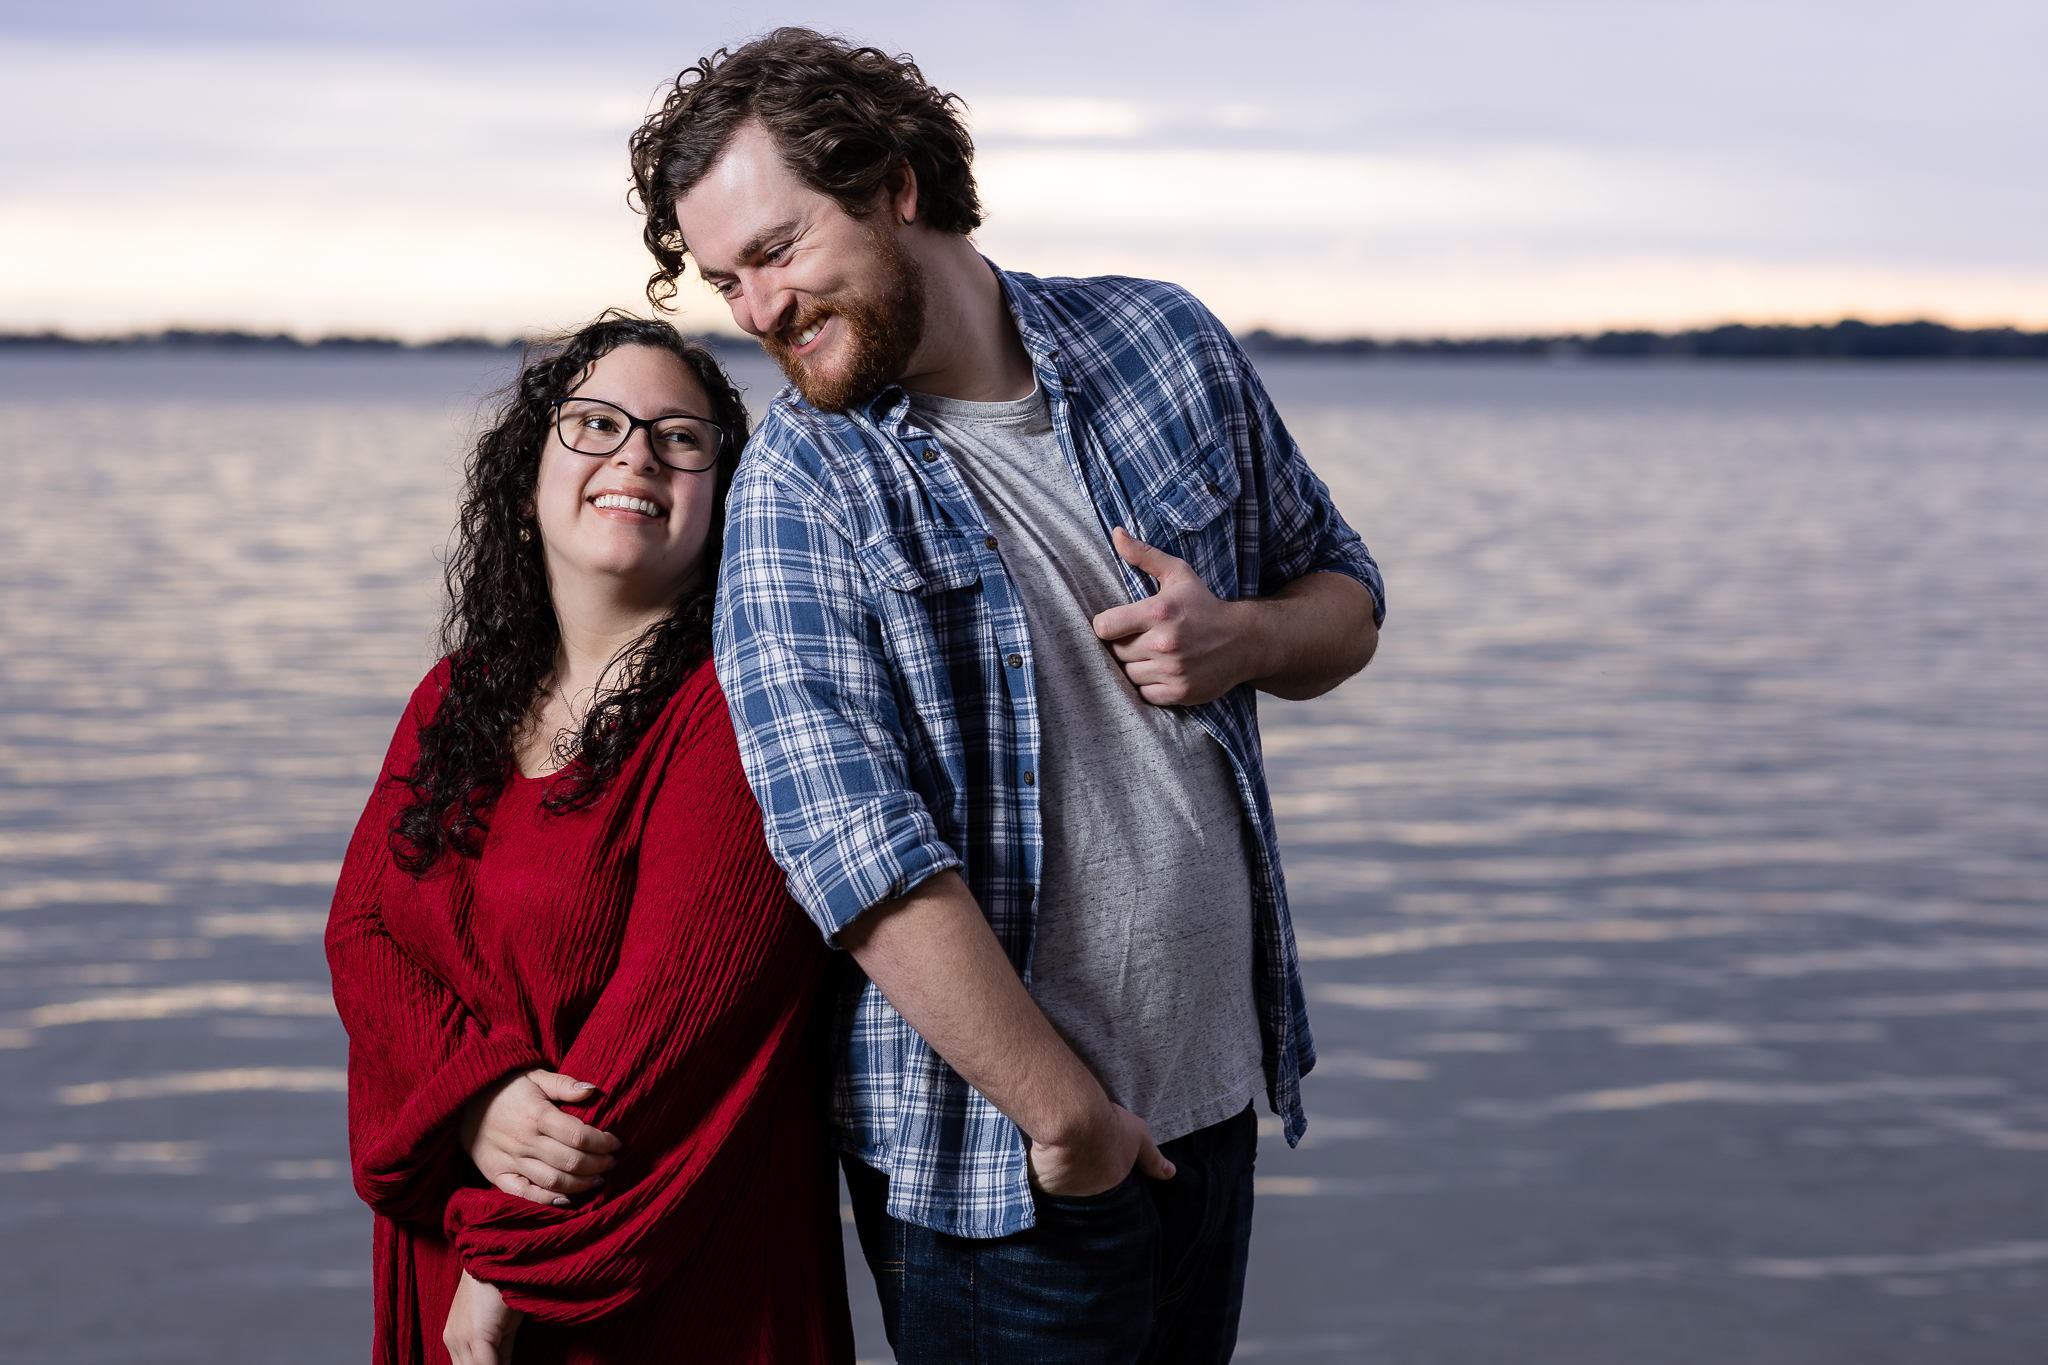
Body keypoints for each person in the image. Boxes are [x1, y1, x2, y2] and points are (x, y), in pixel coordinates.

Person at [595, 28, 1380, 1363]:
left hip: (1211, 1105)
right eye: (725, 281)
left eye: (777, 252)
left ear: (896, 184)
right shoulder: (800, 484)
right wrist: (1064, 1121)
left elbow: (1348, 601)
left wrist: (1242, 639)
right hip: (1001, 1171)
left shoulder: (1164, 341)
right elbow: (850, 847)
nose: (759, 312)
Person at [324, 313, 854, 1365]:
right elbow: (361, 937)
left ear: (723, 501)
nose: (636, 456)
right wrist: (472, 1099)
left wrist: (504, 1270)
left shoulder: (737, 708)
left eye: (680, 437)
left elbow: (672, 1027)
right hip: (463, 1223)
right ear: (528, 483)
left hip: (637, 1266)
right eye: (596, 424)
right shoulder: (459, 695)